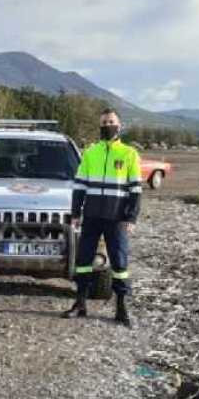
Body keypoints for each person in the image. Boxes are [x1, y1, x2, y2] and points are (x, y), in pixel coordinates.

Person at [62, 108, 142, 327]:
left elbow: (135, 189)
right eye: (104, 122)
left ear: (119, 125)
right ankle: (80, 304)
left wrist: (131, 218)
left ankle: (121, 308)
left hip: (116, 218)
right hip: (92, 216)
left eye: (111, 122)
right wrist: (76, 212)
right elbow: (79, 185)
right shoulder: (90, 152)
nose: (108, 125)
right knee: (84, 261)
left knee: (119, 263)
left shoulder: (129, 154)